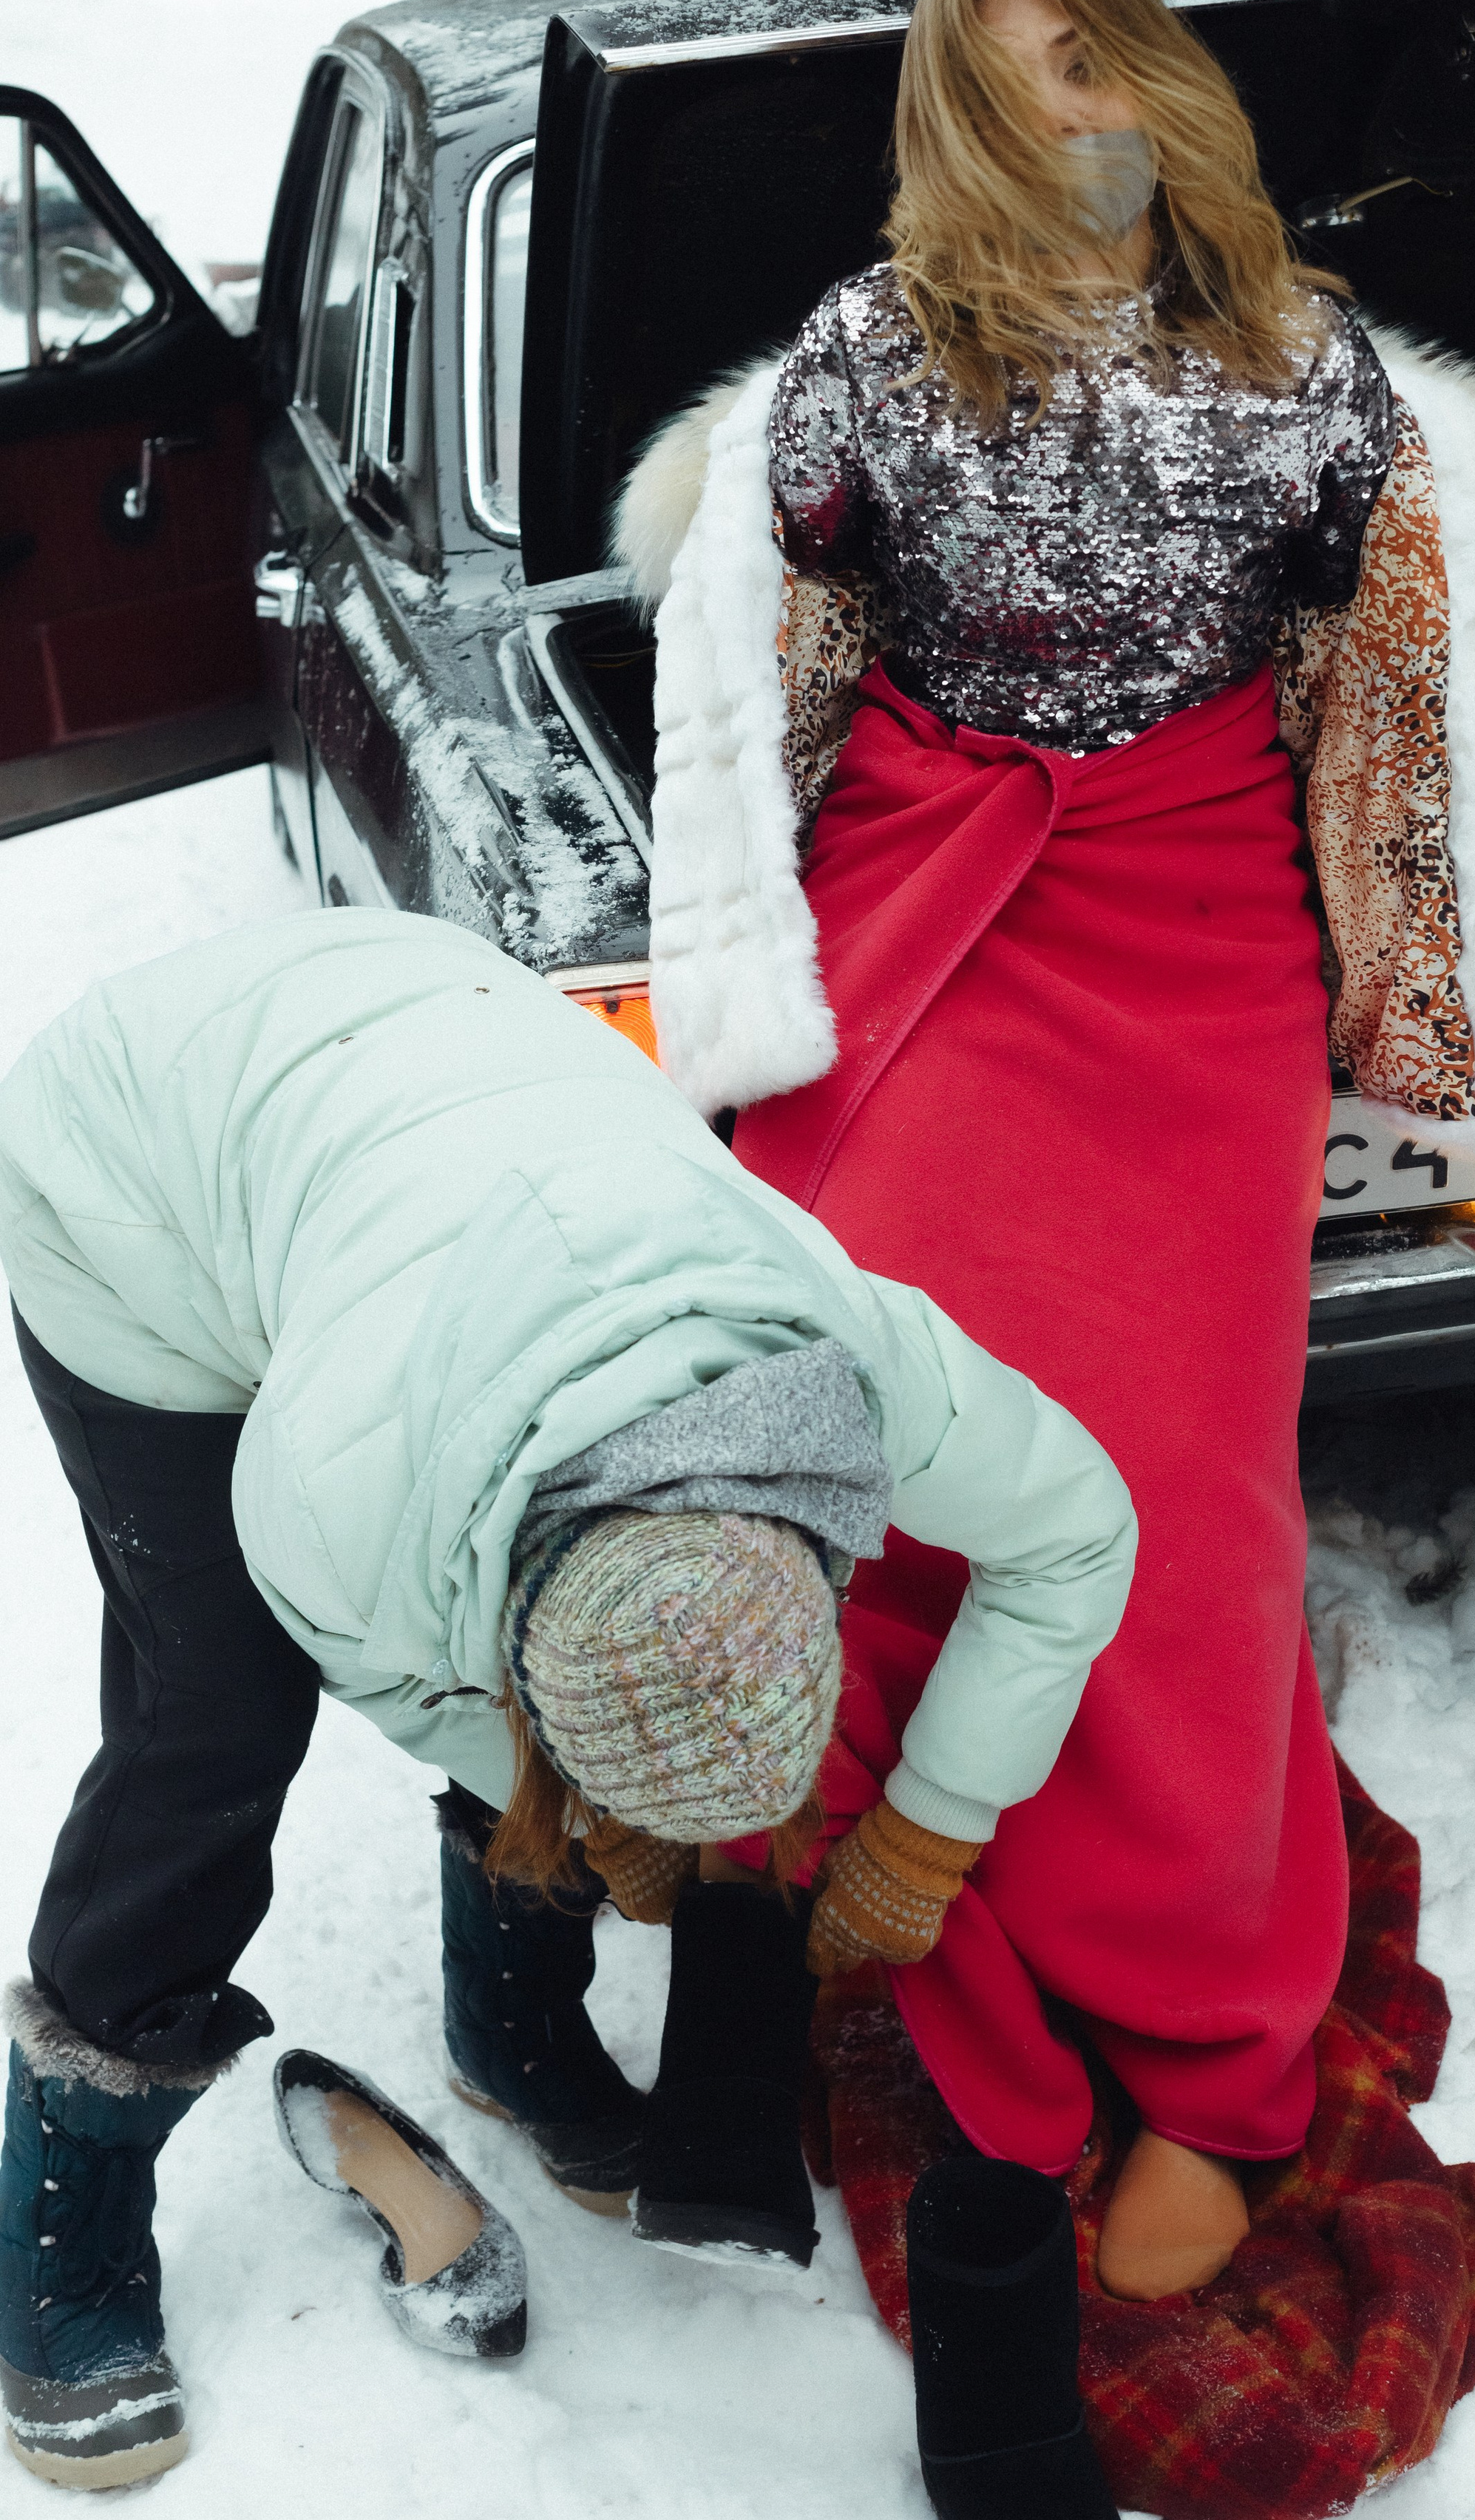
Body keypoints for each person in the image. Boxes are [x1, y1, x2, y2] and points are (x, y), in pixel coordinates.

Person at [614, 0, 1475, 2357]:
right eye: (1035, 70)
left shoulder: (1310, 350)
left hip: (1190, 933)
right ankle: (949, 1943)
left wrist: (1428, 978)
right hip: (928, 908)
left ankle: (1227, 2054)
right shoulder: (856, 353)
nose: (1084, 105)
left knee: (1177, 1508)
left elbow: (1410, 671)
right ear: (959, 106)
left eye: (1111, 58)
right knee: (911, 1459)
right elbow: (752, 633)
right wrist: (756, 941)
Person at [0, 910, 1136, 2500]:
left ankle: (505, 2025)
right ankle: (63, 2212)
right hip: (134, 1160)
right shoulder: (334, 1500)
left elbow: (1079, 1528)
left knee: (598, 1694)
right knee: (213, 1725)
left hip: (422, 1032)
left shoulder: (851, 1364)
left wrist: (933, 1821)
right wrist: (589, 1828)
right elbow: (410, 1670)